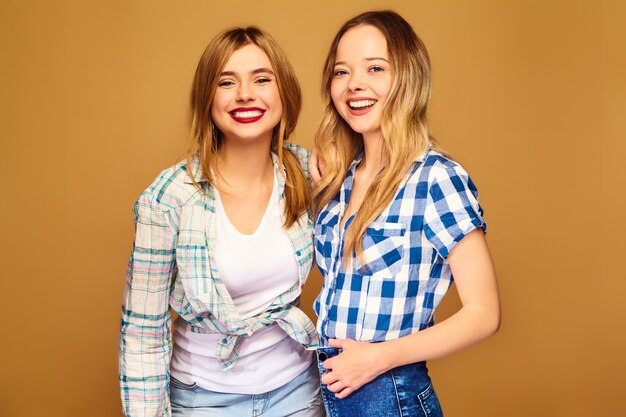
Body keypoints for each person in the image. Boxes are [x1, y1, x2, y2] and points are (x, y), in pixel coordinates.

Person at [119, 27, 325, 417]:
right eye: (226, 82)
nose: (245, 94)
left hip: (297, 391)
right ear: (207, 99)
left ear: (285, 93)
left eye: (262, 79)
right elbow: (143, 330)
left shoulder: (309, 174)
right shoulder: (168, 197)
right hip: (202, 399)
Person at [311, 10, 501, 417]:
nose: (354, 84)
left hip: (388, 393)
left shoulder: (436, 179)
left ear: (407, 78)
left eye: (375, 68)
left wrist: (379, 358)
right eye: (341, 72)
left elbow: (484, 314)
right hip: (326, 388)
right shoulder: (337, 178)